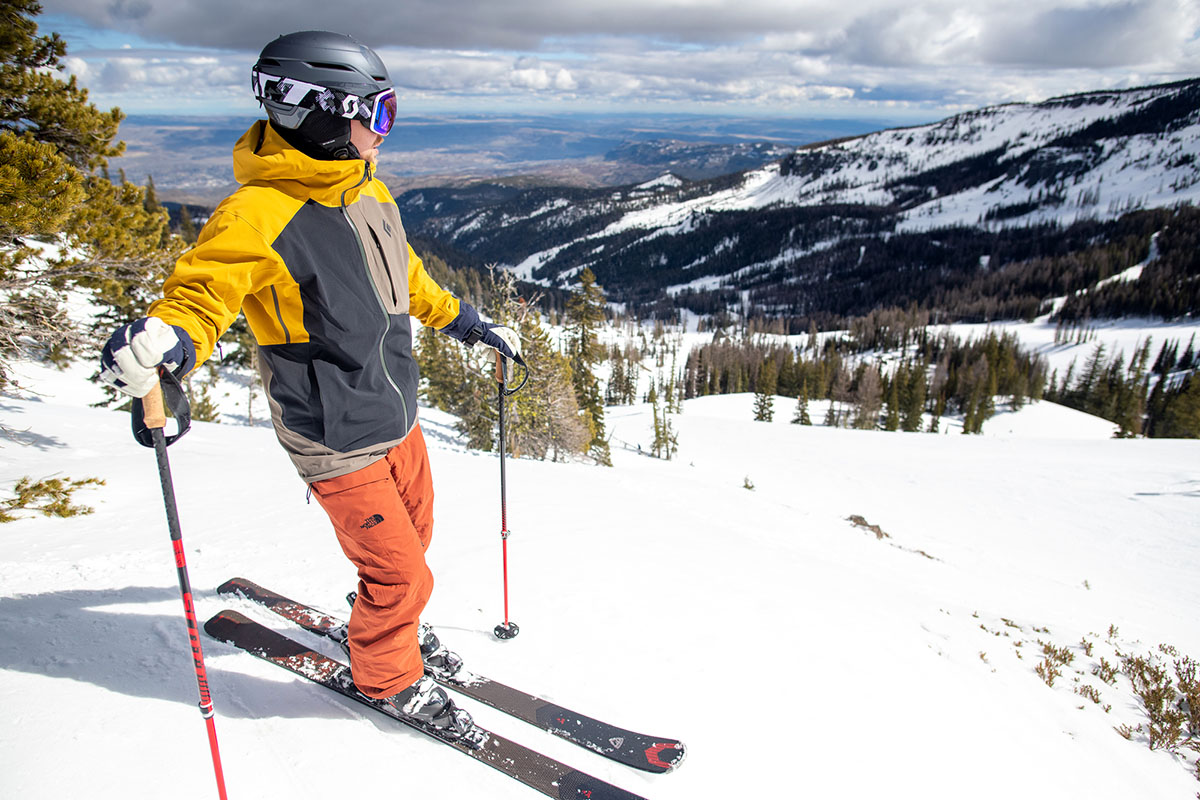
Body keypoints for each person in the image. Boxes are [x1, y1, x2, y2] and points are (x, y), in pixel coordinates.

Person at [97, 30, 521, 739]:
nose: (386, 131)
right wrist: (168, 344)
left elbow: (404, 278)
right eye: (377, 114)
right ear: (321, 113)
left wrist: (464, 320)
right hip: (333, 434)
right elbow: (204, 292)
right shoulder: (259, 214)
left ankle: (384, 626)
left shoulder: (367, 192)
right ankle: (388, 679)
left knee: (413, 545)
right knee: (404, 576)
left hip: (394, 412)